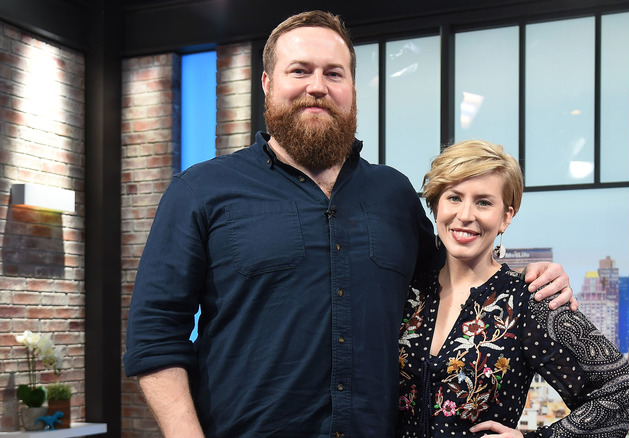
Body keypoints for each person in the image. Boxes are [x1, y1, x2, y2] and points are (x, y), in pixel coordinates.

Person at [123, 11, 575, 438]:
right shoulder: (201, 190)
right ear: (267, 83)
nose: (317, 86)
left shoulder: (393, 195)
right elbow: (154, 335)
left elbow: (452, 281)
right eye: (299, 70)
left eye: (333, 73)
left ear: (352, 88)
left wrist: (534, 277)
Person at [397, 139, 629, 437]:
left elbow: (621, 389)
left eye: (484, 202)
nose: (465, 215)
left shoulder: (528, 299)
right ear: (436, 205)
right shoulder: (406, 291)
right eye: (454, 197)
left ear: (506, 217)